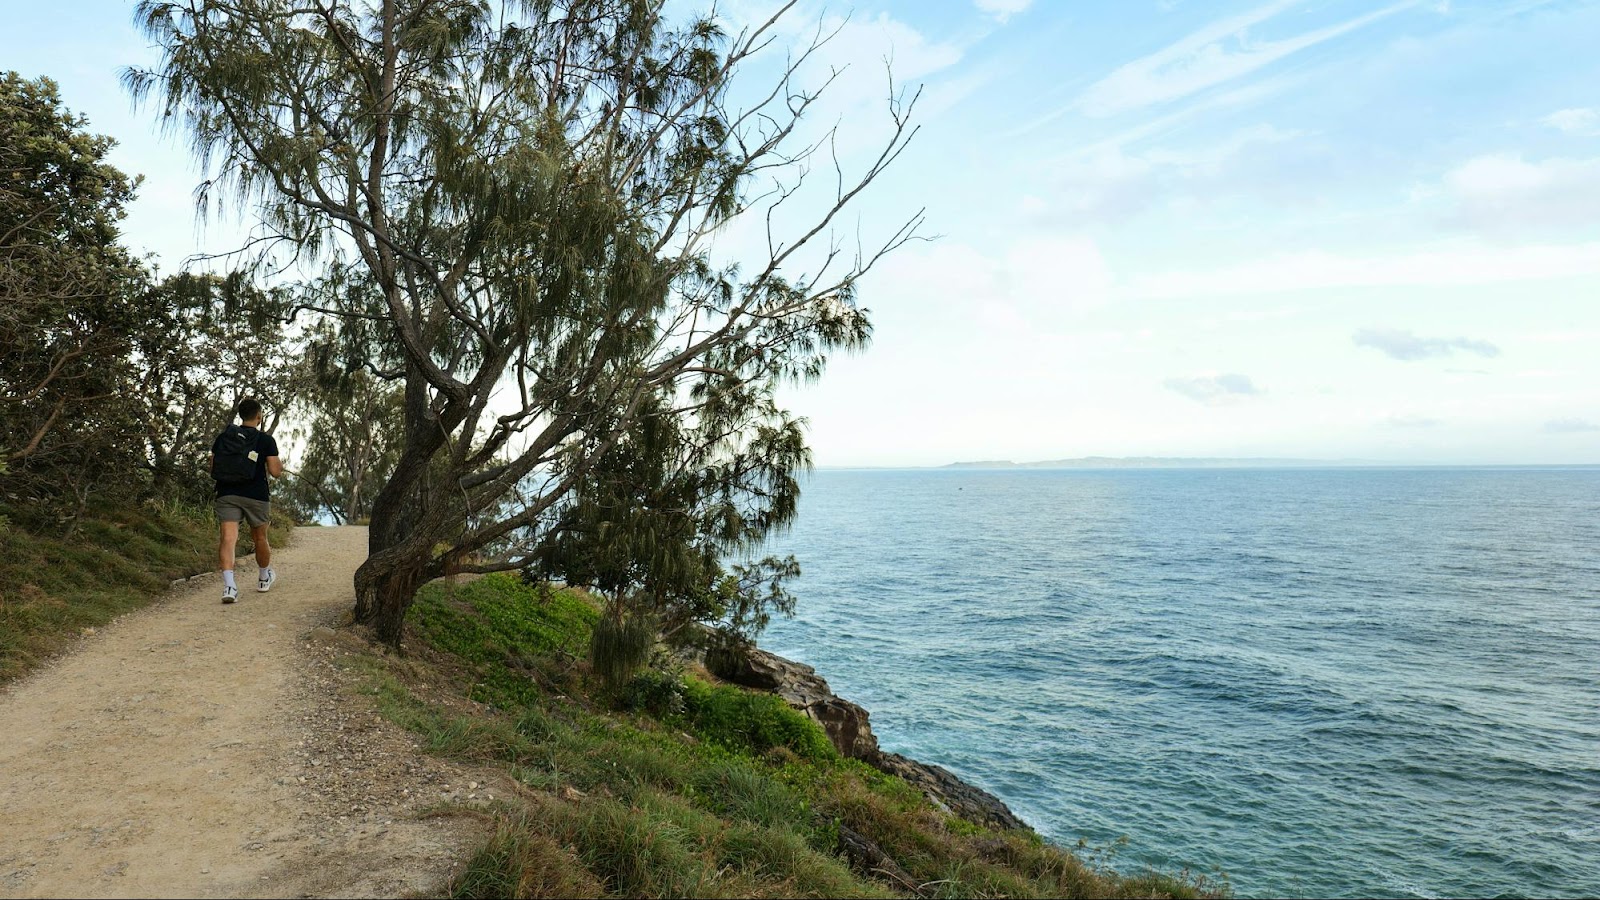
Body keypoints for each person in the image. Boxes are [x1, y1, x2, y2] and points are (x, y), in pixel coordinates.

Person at [210, 398, 284, 604]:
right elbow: (276, 472)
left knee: (228, 539)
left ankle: (230, 587)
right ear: (259, 416)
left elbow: (212, 466)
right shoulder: (265, 440)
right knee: (260, 538)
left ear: (241, 415)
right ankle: (263, 578)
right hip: (256, 495)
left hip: (227, 493)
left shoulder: (225, 437)